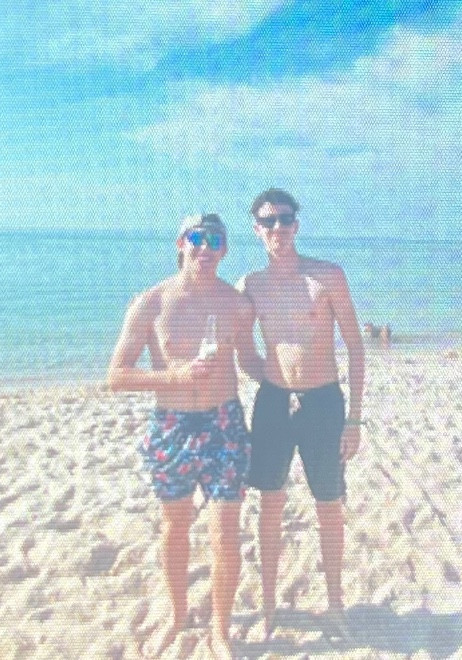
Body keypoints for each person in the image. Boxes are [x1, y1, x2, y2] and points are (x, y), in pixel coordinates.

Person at [107, 213, 261, 659]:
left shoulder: (237, 305)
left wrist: (292, 382)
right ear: (180, 243)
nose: (205, 247)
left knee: (225, 533)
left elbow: (250, 360)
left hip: (224, 424)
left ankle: (220, 629)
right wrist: (174, 375)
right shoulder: (151, 304)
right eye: (197, 238)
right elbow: (116, 376)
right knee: (175, 527)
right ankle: (177, 615)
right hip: (172, 426)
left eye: (214, 240)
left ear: (224, 249)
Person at [237, 188, 365, 636]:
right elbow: (241, 346)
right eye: (268, 221)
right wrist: (268, 376)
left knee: (328, 503)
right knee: (270, 503)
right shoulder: (250, 284)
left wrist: (354, 419)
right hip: (273, 402)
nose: (278, 228)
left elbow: (355, 345)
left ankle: (335, 606)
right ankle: (270, 606)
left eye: (285, 219)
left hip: (323, 401)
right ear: (256, 229)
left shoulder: (327, 276)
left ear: (297, 224)